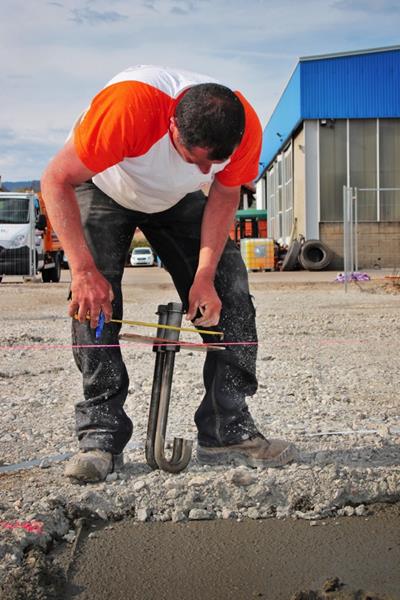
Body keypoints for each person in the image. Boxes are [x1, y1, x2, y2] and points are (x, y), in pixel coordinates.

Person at [41, 64, 296, 483]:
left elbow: (224, 192)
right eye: (191, 158)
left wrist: (204, 275)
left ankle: (225, 429)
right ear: (173, 124)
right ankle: (101, 434)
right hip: (105, 186)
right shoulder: (128, 108)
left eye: (209, 163)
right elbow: (55, 179)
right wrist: (84, 271)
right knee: (95, 303)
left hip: (175, 201)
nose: (201, 171)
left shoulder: (245, 126)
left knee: (230, 294)